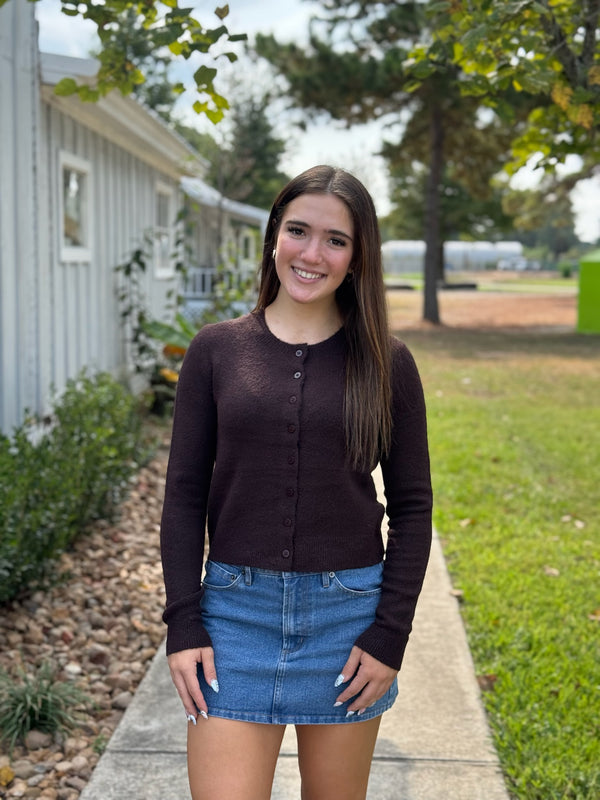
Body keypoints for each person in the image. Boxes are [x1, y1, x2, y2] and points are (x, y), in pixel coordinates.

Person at [160, 164, 433, 800]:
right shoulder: (215, 351)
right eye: (298, 231)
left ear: (358, 256)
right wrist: (184, 622)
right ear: (273, 237)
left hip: (349, 627)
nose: (313, 254)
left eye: (335, 240)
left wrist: (389, 633)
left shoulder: (387, 363)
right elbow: (183, 497)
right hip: (232, 620)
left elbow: (414, 508)